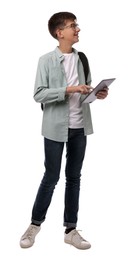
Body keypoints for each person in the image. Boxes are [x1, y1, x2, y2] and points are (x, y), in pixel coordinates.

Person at [20, 11, 108, 250]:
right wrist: (69, 89)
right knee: (51, 177)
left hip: (80, 127)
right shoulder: (46, 60)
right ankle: (34, 225)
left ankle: (70, 229)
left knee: (74, 178)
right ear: (60, 33)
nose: (77, 29)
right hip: (54, 128)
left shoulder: (83, 59)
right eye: (72, 26)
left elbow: (85, 92)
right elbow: (38, 94)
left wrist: (97, 94)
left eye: (76, 25)